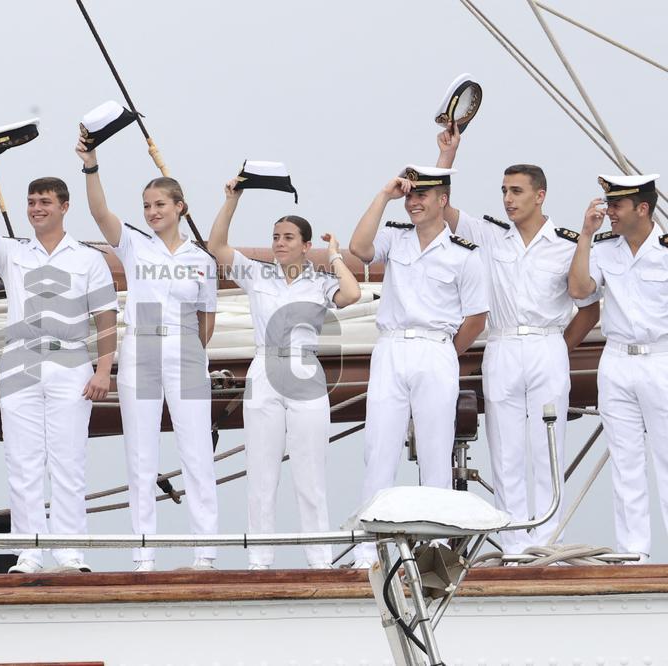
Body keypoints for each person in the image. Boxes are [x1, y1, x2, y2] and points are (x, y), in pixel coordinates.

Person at [435, 122, 601, 555]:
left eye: (516, 191)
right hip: (503, 345)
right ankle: (513, 546)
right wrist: (447, 156)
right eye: (504, 191)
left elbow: (589, 305)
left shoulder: (566, 244)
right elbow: (441, 210)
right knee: (505, 447)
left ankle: (546, 542)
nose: (507, 199)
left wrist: (558, 349)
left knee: (547, 447)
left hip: (546, 344)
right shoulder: (491, 236)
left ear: (539, 195)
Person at [0, 151, 118, 573]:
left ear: (64, 207)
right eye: (31, 202)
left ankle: (68, 552)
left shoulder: (88, 259)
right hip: (21, 362)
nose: (37, 209)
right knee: (22, 462)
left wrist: (103, 369)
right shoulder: (14, 254)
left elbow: (105, 316)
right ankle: (28, 552)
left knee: (68, 459)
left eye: (45, 202)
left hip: (70, 362)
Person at [76, 141, 219, 571]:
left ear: (180, 206)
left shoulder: (201, 258)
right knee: (140, 455)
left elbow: (206, 318)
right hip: (140, 346)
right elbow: (101, 214)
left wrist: (188, 351)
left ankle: (206, 552)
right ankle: (143, 555)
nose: (152, 212)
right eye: (146, 206)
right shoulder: (135, 245)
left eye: (159, 204)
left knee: (197, 452)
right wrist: (90, 166)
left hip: (186, 348)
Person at [207, 177, 361, 569]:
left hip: (304, 367)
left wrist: (336, 255)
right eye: (276, 236)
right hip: (265, 364)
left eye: (288, 237)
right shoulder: (258, 274)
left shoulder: (322, 281)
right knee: (261, 468)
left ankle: (319, 558)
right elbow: (217, 247)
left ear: (305, 245)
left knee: (310, 471)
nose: (279, 242)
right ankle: (260, 559)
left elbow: (352, 294)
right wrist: (231, 201)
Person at [348, 165, 488, 567]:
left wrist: (446, 352)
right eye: (410, 195)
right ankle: (368, 550)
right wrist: (383, 195)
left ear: (442, 200)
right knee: (379, 447)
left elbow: (476, 318)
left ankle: (435, 549)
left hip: (436, 348)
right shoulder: (395, 238)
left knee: (434, 449)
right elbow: (360, 248)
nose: (413, 202)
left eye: (421, 195)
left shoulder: (465, 255)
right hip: (391, 347)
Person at [568, 173, 667, 563]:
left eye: (616, 206)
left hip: (661, 358)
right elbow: (579, 291)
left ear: (642, 209)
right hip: (617, 359)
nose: (608, 212)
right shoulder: (605, 248)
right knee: (625, 460)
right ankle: (634, 553)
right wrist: (585, 237)